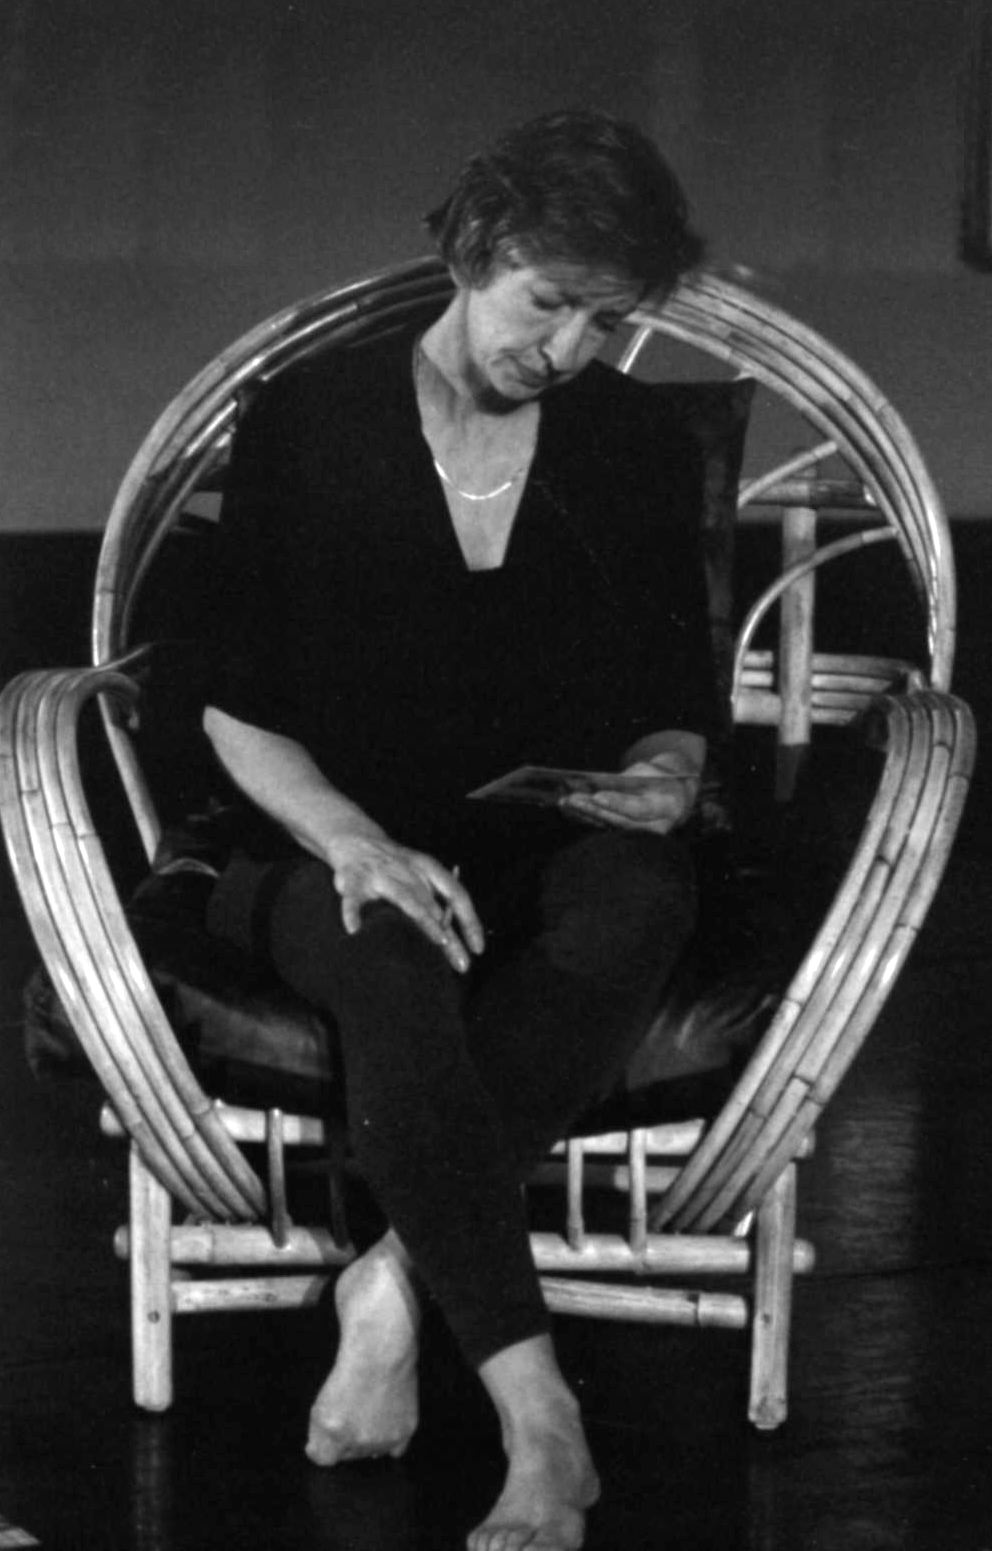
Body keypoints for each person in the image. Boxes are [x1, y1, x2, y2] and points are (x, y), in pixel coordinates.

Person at [202, 108, 714, 1551]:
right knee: (390, 940)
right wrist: (353, 840)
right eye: (549, 304)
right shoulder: (309, 416)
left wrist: (663, 774)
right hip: (315, 829)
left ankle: (392, 1278)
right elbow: (228, 703)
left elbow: (673, 696)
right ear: (478, 249)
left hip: (537, 833)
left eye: (606, 322)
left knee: (640, 894)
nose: (568, 350)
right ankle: (542, 1418)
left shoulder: (632, 441)